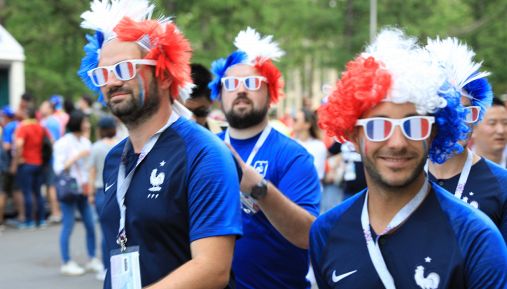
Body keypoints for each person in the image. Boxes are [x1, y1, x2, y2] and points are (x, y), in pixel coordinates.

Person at [311, 28, 507, 289]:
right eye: (378, 126)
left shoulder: (475, 236)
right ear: (354, 134)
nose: (397, 142)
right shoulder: (326, 230)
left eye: (414, 125)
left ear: (434, 132)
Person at [78, 0, 242, 288]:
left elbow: (213, 268)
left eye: (125, 68)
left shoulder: (204, 153)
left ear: (164, 74)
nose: (112, 82)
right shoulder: (116, 158)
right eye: (103, 73)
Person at [209, 27, 321, 289]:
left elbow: (308, 235)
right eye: (231, 84)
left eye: (252, 83)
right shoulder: (205, 150)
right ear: (220, 93)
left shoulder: (293, 155)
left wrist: (257, 187)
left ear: (270, 93)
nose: (241, 90)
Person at [426, 37, 507, 240]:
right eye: (451, 112)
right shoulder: (405, 176)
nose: (461, 122)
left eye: (468, 112)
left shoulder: (501, 184)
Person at [53, 110, 102, 276]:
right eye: (85, 122)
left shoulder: (86, 142)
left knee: (90, 224)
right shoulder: (63, 143)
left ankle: (92, 258)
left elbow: (89, 167)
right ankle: (66, 262)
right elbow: (58, 168)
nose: (88, 124)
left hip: (83, 189)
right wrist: (76, 157)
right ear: (78, 123)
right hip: (69, 189)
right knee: (68, 225)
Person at [88, 115, 118, 281]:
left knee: (105, 232)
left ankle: (106, 268)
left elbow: (92, 171)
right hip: (118, 192)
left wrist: (90, 193)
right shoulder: (121, 143)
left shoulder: (96, 147)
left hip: (101, 192)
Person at [14, 106, 50, 229]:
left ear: (26, 114)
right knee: (38, 192)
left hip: (26, 164)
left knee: (27, 192)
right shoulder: (41, 127)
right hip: (39, 163)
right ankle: (41, 220)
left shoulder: (23, 127)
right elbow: (51, 142)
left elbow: (19, 145)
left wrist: (17, 160)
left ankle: (29, 221)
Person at [39, 100, 62, 223]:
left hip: (50, 159)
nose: (41, 108)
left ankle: (56, 213)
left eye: (43, 106)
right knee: (50, 185)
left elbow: (52, 141)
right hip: (51, 158)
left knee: (51, 186)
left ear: (49, 108)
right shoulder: (50, 121)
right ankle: (56, 212)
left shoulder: (50, 122)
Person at [184, 63, 224, 133]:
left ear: (212, 101)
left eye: (200, 113)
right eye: (185, 113)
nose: (193, 120)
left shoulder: (224, 136)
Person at [293, 108, 327, 183]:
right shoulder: (290, 143)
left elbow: (316, 173)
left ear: (307, 124)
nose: (293, 122)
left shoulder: (319, 146)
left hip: (312, 191)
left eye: (296, 120)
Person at [472, 97, 507, 165]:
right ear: (473, 128)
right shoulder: (459, 166)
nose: (501, 130)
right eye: (492, 123)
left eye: (505, 123)